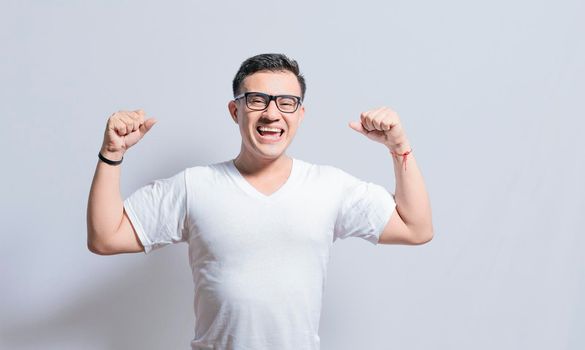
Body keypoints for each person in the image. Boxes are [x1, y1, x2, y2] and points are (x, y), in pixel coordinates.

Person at [87, 53, 433, 350]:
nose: (271, 113)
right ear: (234, 110)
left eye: (286, 102)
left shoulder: (329, 186)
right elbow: (106, 238)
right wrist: (112, 153)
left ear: (300, 114)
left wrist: (398, 146)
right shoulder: (194, 186)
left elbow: (416, 228)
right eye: (256, 100)